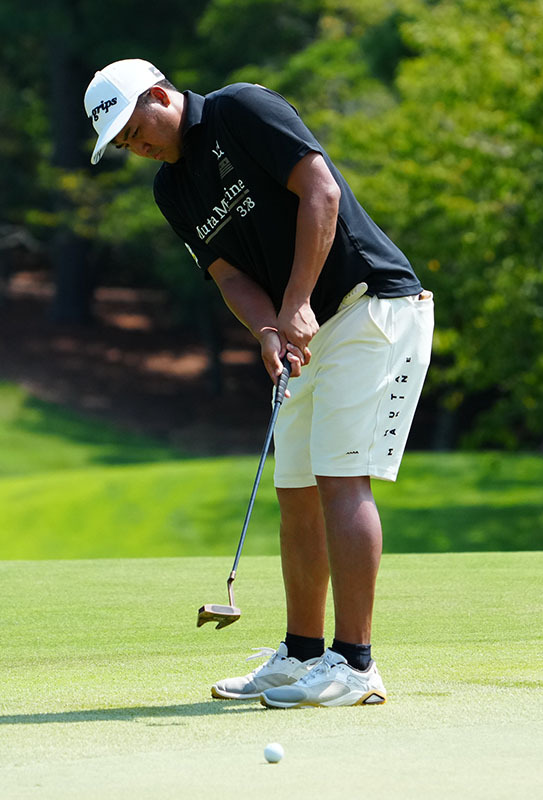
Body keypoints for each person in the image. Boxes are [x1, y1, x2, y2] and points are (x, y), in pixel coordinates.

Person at [83, 59, 433, 708]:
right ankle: (302, 654)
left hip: (369, 306)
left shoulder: (241, 109)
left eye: (136, 130)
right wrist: (269, 330)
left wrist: (295, 303)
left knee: (339, 479)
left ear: (159, 95)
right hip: (305, 331)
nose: (138, 147)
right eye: (125, 144)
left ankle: (356, 665)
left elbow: (321, 193)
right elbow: (227, 274)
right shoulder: (171, 190)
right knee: (295, 490)